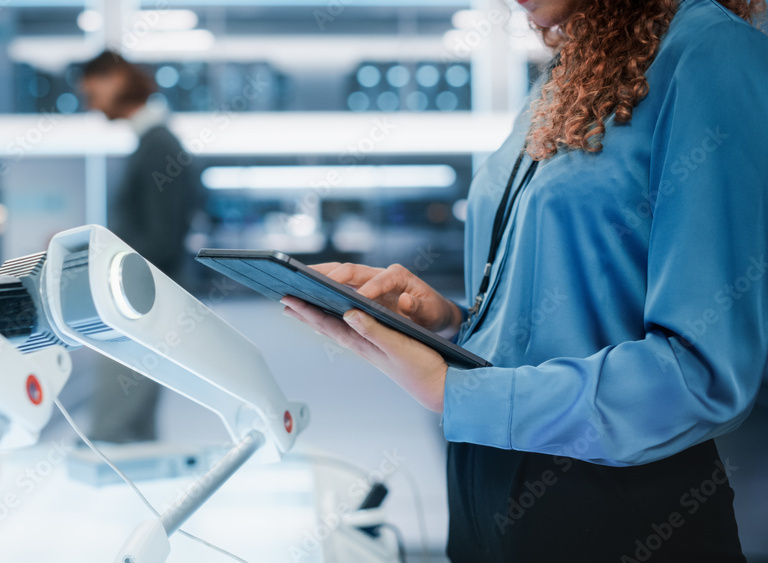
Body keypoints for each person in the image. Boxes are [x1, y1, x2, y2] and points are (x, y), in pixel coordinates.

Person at [281, 0, 768, 561]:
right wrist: (450, 324)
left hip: (613, 508)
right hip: (480, 484)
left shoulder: (710, 52)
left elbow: (704, 374)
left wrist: (454, 391)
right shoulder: (570, 72)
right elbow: (556, 320)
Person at [79, 50, 204, 443]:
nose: (90, 103)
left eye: (92, 91)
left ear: (115, 81)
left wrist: (103, 260)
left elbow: (162, 238)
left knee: (115, 426)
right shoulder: (153, 144)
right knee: (134, 421)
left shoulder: (158, 147)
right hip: (142, 300)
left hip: (141, 304)